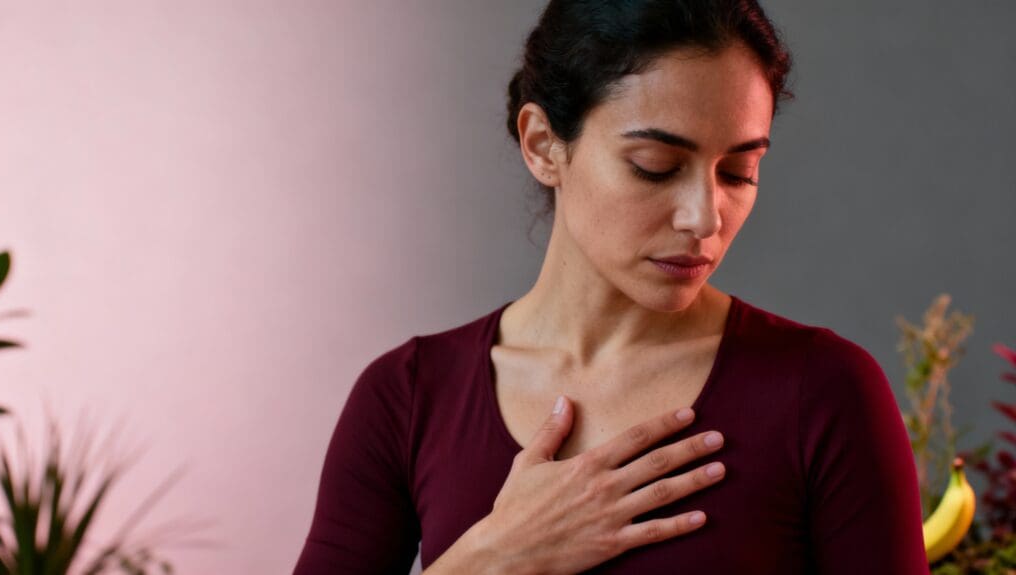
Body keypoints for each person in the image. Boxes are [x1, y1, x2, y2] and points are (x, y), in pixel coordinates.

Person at [293, 1, 930, 573]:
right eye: (656, 167)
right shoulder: (407, 397)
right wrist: (493, 560)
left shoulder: (824, 392)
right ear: (543, 144)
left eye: (738, 172)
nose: (703, 218)